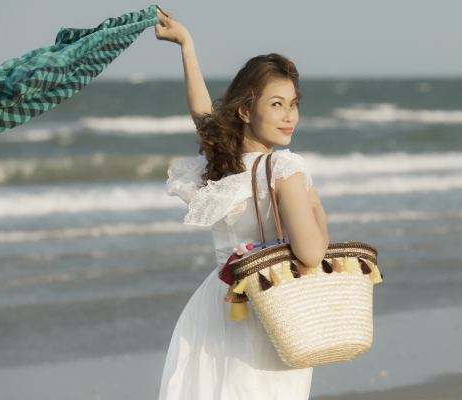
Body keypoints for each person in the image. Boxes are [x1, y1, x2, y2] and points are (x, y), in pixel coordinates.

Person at [154, 7, 329, 400]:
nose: (290, 117)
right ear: (246, 110)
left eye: (294, 103)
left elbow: (203, 116)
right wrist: (315, 205)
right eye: (277, 104)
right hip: (271, 308)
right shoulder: (285, 167)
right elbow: (312, 253)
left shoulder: (221, 162)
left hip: (219, 306)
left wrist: (187, 45)